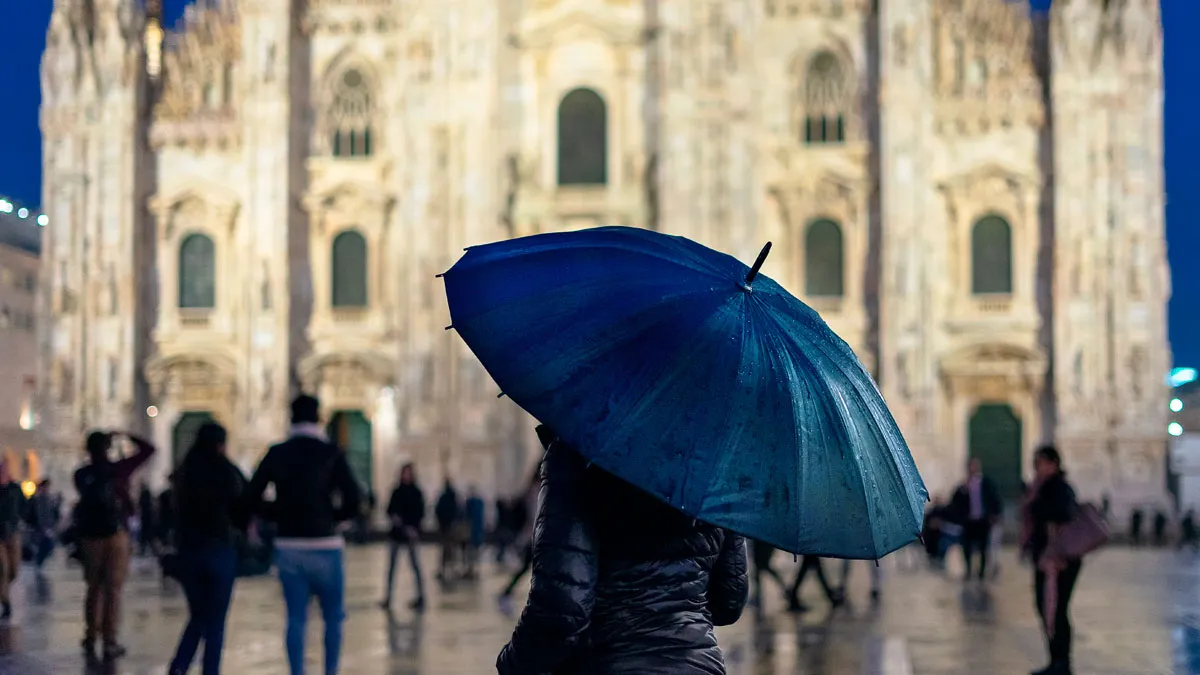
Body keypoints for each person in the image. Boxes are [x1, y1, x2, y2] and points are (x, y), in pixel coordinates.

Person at [496, 426, 747, 674]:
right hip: (697, 665)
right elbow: (729, 601)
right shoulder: (717, 462)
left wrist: (512, 663)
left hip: (607, 661)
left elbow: (562, 607)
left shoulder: (578, 451)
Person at [243, 394, 362, 675]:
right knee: (333, 617)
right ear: (318, 417)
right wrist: (334, 518)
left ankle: (297, 672)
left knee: (296, 618)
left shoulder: (277, 452)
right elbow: (355, 498)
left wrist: (276, 513)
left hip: (290, 545)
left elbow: (250, 497)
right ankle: (330, 671)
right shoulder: (331, 452)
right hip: (326, 545)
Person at [169, 423, 247, 675]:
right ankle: (209, 671)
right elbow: (243, 504)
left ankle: (179, 667)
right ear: (221, 444)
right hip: (219, 550)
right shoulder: (226, 471)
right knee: (215, 621)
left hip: (189, 552)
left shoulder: (184, 472)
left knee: (199, 615)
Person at [73, 430, 157, 661]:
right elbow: (149, 449)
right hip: (115, 533)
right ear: (107, 448)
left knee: (93, 588)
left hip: (90, 536)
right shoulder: (119, 469)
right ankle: (109, 640)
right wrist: (125, 434)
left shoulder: (81, 474)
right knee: (113, 589)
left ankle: (90, 635)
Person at [1024, 445, 1081, 675]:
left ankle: (1062, 663)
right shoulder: (1042, 487)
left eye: (1041, 463)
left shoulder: (1059, 487)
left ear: (1054, 463)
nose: (1037, 468)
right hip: (1046, 557)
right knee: (1047, 608)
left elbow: (1063, 513)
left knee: (1056, 609)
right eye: (1036, 463)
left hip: (1060, 559)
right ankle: (1056, 660)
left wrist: (1036, 505)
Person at [497, 462, 543, 615]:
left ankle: (507, 592)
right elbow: (535, 516)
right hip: (536, 537)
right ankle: (507, 592)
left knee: (527, 568)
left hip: (532, 537)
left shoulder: (532, 490)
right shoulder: (538, 491)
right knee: (532, 569)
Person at [381, 463, 426, 612]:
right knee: (391, 568)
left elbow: (420, 513)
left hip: (411, 534)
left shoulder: (417, 492)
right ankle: (388, 598)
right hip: (396, 534)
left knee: (415, 566)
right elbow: (390, 510)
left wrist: (412, 528)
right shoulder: (397, 491)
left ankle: (421, 597)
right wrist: (396, 520)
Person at [950, 458, 1002, 581]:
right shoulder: (963, 486)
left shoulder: (986, 484)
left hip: (982, 520)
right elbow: (955, 502)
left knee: (984, 547)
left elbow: (994, 499)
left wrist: (994, 514)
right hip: (968, 521)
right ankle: (968, 570)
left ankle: (981, 572)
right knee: (966, 546)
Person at [0, 460, 26, 619]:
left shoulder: (15, 488)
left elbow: (25, 506)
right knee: (2, 568)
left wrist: (19, 519)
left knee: (13, 570)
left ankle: (3, 591)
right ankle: (6, 602)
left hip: (13, 532)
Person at [28, 478, 60, 570]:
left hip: (46, 527)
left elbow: (52, 513)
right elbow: (40, 514)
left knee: (46, 546)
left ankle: (38, 563)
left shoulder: (48, 498)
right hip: (40, 528)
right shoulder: (38, 499)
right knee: (45, 545)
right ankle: (38, 563)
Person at [434, 479, 460, 584]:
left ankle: (445, 570)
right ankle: (451, 570)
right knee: (450, 549)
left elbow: (438, 510)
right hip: (450, 526)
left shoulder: (444, 497)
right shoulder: (452, 498)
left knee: (446, 549)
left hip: (445, 527)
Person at [749, 539, 788, 611]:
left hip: (762, 544)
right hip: (765, 543)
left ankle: (758, 597)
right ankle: (758, 596)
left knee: (760, 567)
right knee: (762, 568)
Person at [465, 486, 485, 579]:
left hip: (471, 531)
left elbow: (467, 516)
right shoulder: (480, 503)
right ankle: (474, 570)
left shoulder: (470, 503)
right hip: (477, 531)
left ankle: (471, 569)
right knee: (475, 552)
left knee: (471, 552)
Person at [138, 484, 157, 556]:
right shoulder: (148, 495)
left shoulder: (143, 495)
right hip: (148, 518)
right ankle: (154, 551)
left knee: (145, 537)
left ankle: (144, 551)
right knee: (149, 537)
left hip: (145, 517)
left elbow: (139, 505)